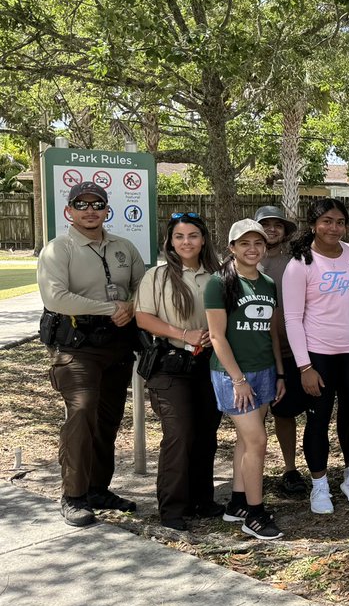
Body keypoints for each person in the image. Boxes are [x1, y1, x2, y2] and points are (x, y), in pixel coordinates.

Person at [38, 180, 146, 526]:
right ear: (69, 210)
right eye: (81, 205)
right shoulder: (59, 249)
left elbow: (143, 285)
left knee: (108, 420)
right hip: (77, 347)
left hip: (117, 346)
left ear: (106, 210)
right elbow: (55, 297)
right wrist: (107, 308)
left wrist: (130, 305)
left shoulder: (124, 247)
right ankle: (73, 495)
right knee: (82, 414)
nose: (90, 211)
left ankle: (98, 488)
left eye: (96, 204)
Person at [283, 199, 349, 514]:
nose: (333, 228)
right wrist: (304, 366)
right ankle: (320, 486)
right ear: (313, 224)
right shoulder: (300, 263)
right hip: (318, 355)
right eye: (327, 221)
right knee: (318, 421)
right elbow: (292, 319)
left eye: (339, 222)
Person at [135, 213, 222, 530]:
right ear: (170, 242)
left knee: (206, 433)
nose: (187, 242)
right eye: (180, 236)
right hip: (171, 365)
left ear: (203, 240)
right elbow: (143, 318)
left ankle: (202, 499)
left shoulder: (218, 274)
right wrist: (183, 334)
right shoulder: (156, 277)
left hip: (210, 364)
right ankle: (172, 508)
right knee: (180, 433)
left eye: (193, 235)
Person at [205, 219, 287, 541]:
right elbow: (216, 336)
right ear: (232, 248)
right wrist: (238, 380)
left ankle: (237, 502)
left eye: (258, 244)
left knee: (246, 441)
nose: (252, 249)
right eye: (244, 244)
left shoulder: (267, 282)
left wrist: (279, 372)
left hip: (264, 369)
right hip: (233, 374)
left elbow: (271, 333)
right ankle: (255, 514)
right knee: (257, 442)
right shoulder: (219, 283)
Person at [254, 204, 307, 496]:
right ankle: (252, 471)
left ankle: (290, 469)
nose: (271, 229)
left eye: (277, 225)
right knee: (253, 417)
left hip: (292, 350)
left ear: (285, 231)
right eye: (266, 224)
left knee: (285, 412)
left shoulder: (296, 261)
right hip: (255, 353)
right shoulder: (241, 262)